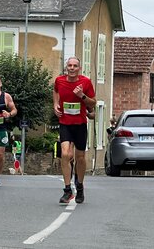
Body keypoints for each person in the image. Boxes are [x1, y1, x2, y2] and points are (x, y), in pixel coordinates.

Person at [53, 56, 96, 204]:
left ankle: (80, 186)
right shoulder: (59, 80)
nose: (72, 68)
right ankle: (67, 190)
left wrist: (82, 96)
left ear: (79, 68)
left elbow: (93, 102)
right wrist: (55, 105)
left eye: (75, 66)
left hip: (79, 124)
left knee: (80, 158)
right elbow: (55, 91)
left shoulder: (86, 82)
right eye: (69, 66)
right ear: (67, 67)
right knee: (65, 154)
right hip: (65, 123)